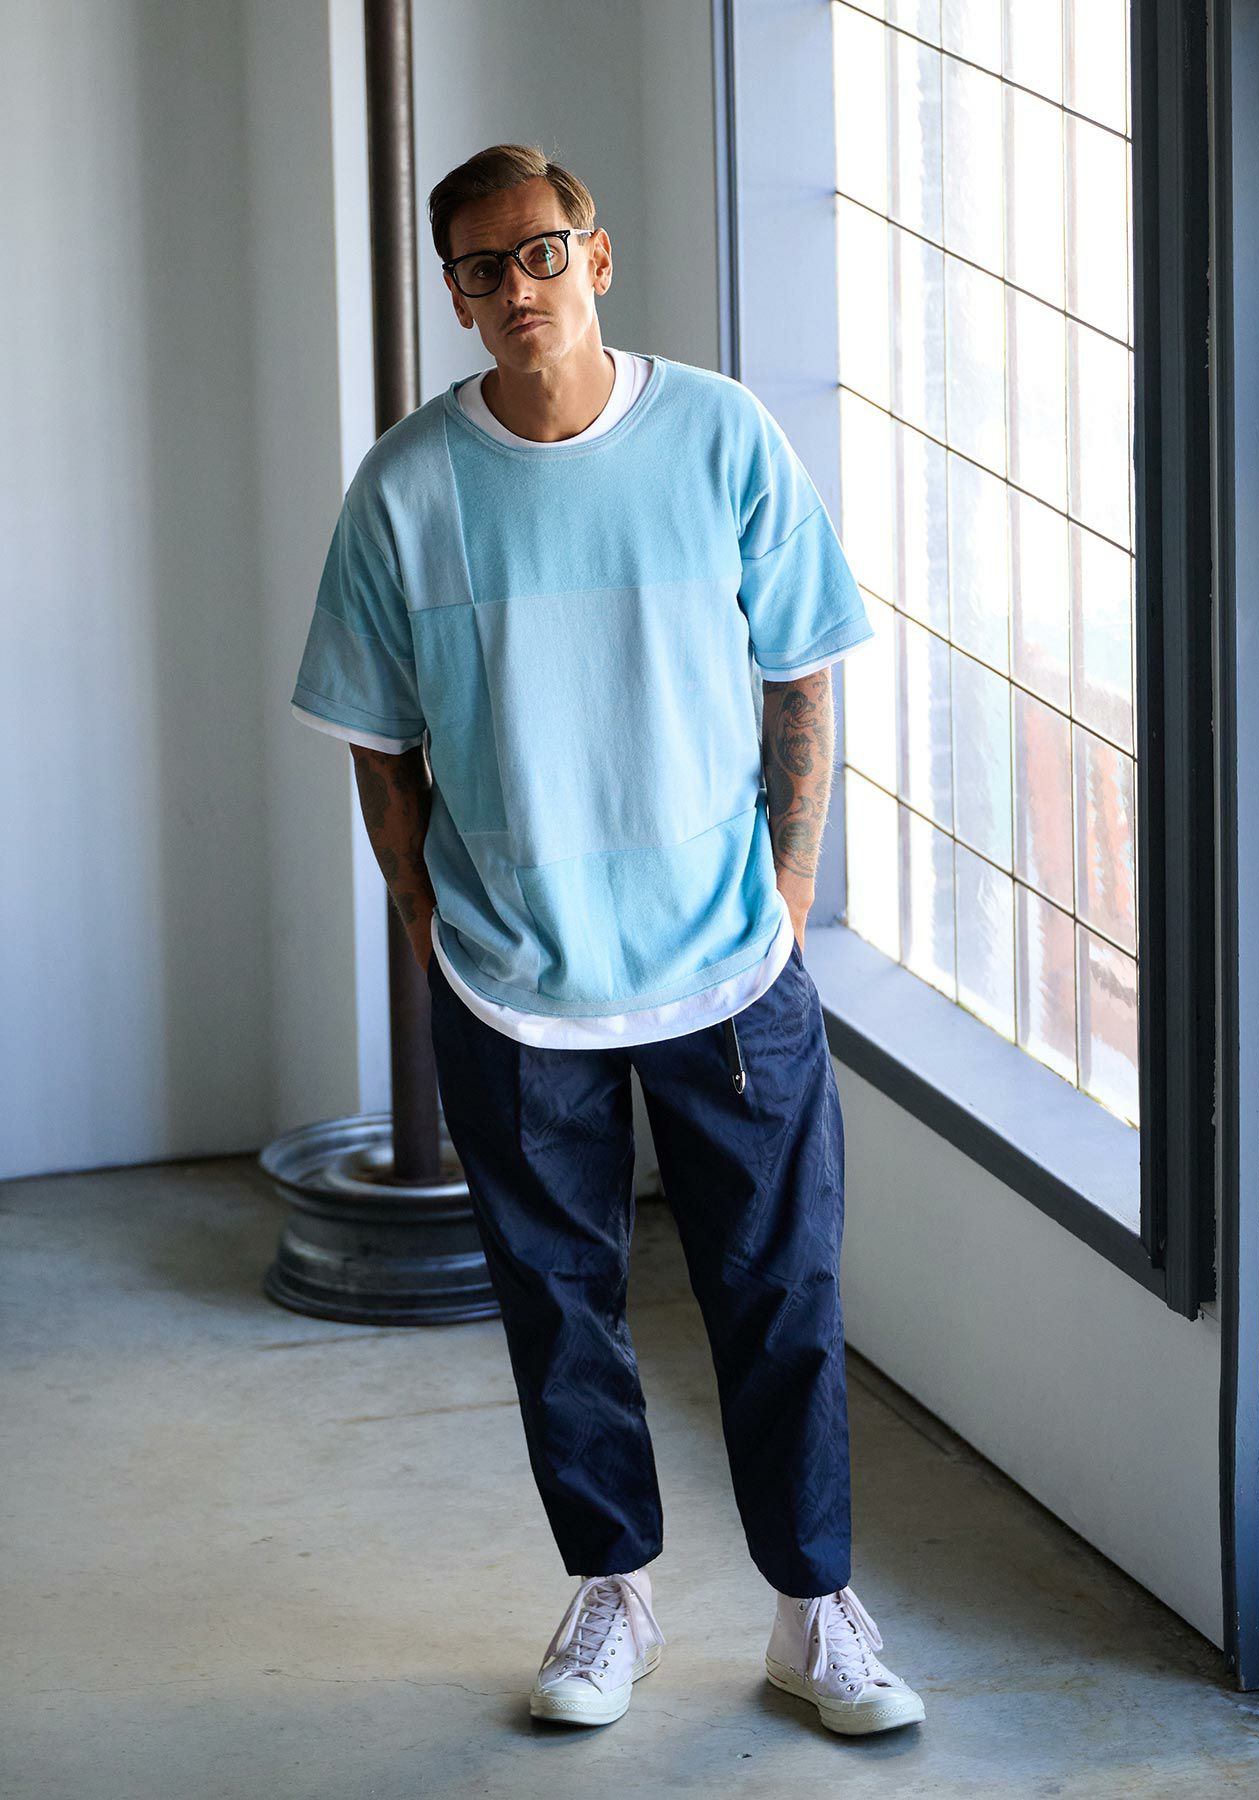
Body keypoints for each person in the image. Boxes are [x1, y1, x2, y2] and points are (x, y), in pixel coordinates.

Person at [289, 141, 925, 1738]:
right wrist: (426, 918)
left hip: (730, 964)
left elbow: (802, 667)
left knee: (780, 1293)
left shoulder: (719, 432)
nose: (518, 287)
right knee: (557, 1304)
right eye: (481, 268)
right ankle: (612, 1592)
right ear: (455, 295)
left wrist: (790, 891)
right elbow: (377, 737)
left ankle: (816, 1610)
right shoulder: (406, 489)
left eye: (541, 251)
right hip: (514, 981)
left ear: (598, 255)